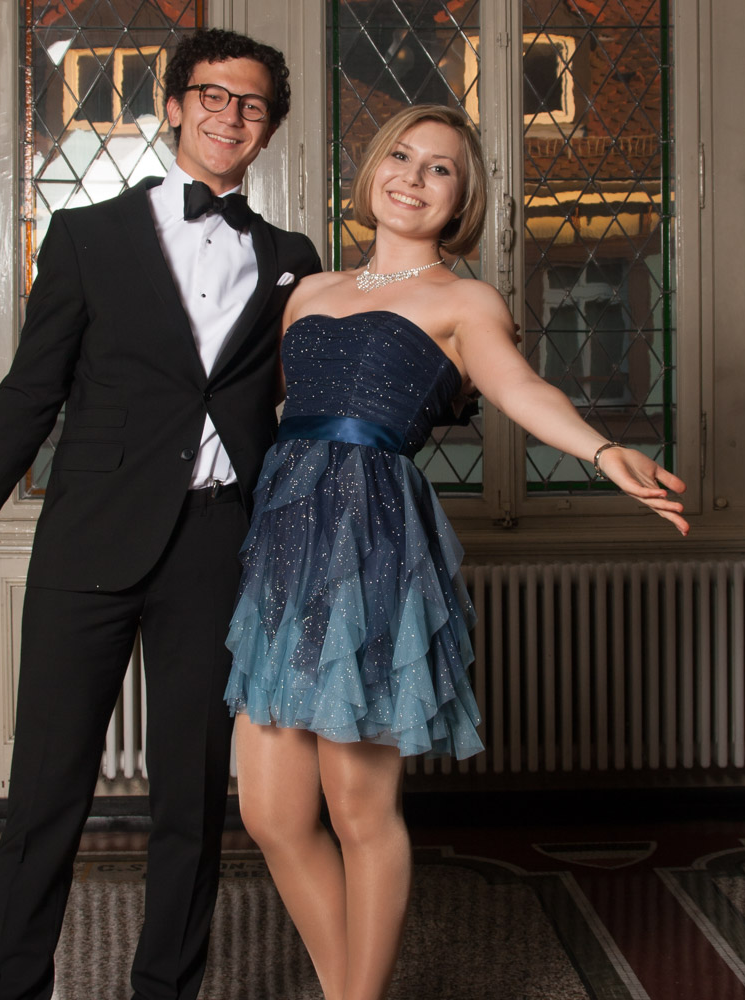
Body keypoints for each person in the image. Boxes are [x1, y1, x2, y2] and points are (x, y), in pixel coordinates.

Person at [0, 29, 321, 1000]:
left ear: (269, 128)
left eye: (251, 104)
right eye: (212, 95)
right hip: (90, 542)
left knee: (192, 801)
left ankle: (167, 988)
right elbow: (30, 395)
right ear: (174, 107)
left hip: (219, 545)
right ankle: (12, 989)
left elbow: (314, 398)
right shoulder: (87, 236)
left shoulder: (292, 259)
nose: (230, 115)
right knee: (46, 792)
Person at [223, 104, 690, 1000]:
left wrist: (601, 450)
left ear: (462, 198)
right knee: (272, 815)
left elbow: (520, 386)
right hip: (284, 546)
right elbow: (255, 410)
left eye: (439, 168)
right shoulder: (308, 291)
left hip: (370, 547)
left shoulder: (466, 301)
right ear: (371, 171)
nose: (413, 176)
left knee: (360, 809)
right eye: (401, 156)